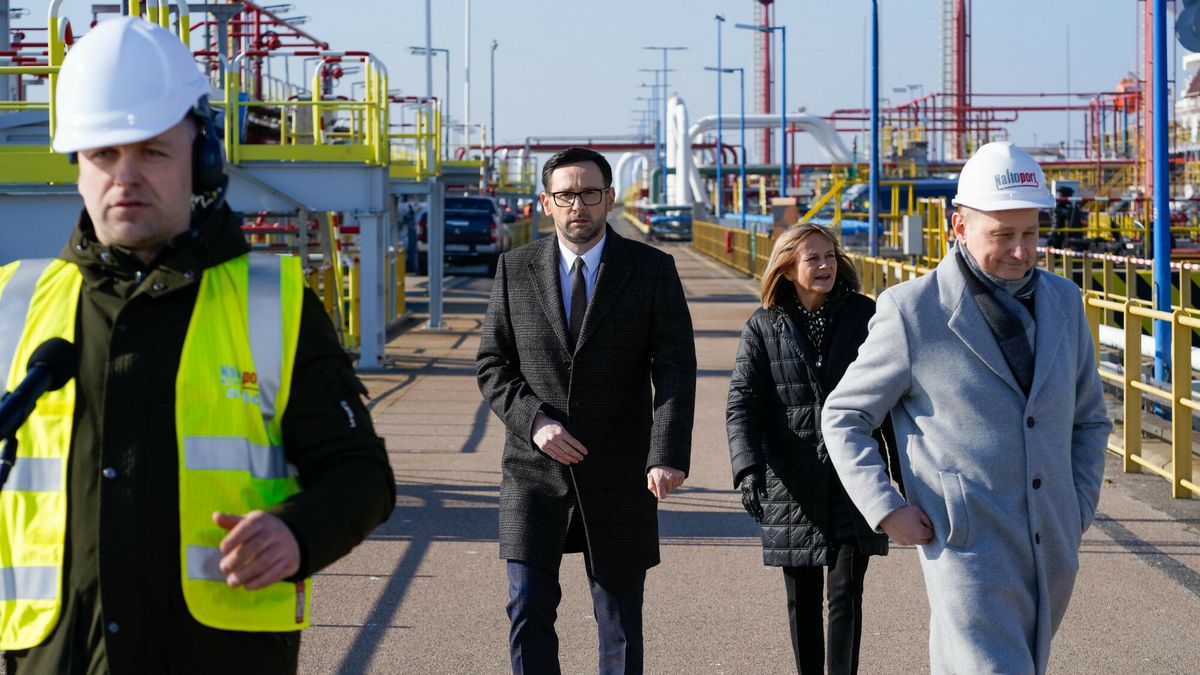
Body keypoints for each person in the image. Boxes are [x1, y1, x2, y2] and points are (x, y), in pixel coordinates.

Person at [0, 17, 394, 673]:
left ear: (202, 157)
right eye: (103, 154)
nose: (124, 176)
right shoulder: (15, 305)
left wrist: (298, 531)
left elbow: (364, 477)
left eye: (152, 151)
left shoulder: (273, 304)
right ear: (77, 167)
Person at [821, 141, 1111, 675]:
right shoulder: (912, 311)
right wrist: (886, 508)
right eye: (1002, 236)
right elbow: (844, 416)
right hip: (965, 546)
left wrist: (1077, 505)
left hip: (1052, 542)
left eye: (1030, 234)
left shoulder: (1064, 302)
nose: (1021, 252)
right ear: (959, 226)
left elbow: (1089, 418)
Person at [476, 146, 696, 675]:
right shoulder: (515, 268)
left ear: (609, 200)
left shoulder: (651, 270)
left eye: (590, 194)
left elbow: (674, 370)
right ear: (547, 203)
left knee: (619, 618)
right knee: (527, 605)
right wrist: (535, 422)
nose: (579, 205)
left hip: (621, 472)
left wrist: (665, 455)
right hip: (533, 471)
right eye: (567, 195)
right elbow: (492, 364)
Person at [726, 224, 899, 675]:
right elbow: (743, 401)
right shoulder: (763, 326)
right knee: (801, 597)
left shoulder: (866, 315)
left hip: (855, 472)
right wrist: (747, 469)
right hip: (792, 480)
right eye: (812, 259)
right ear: (786, 269)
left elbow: (895, 398)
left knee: (845, 593)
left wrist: (905, 475)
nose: (825, 266)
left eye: (829, 256)